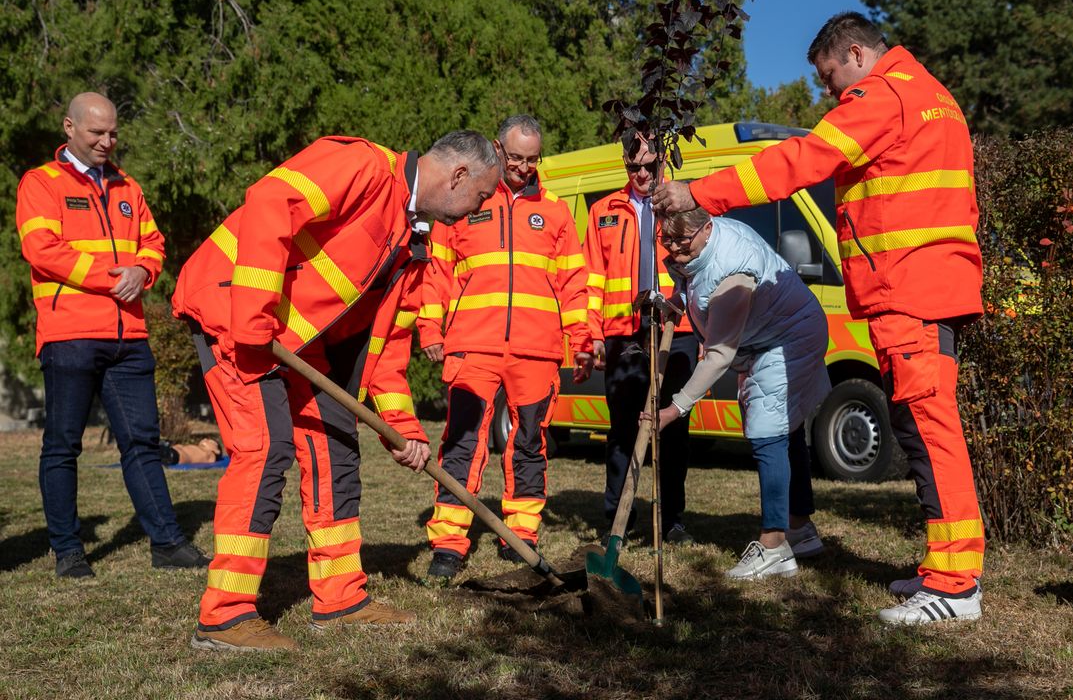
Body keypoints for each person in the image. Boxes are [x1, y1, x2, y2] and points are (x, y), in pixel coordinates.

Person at [653, 11, 986, 625]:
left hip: (909, 288)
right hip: (926, 286)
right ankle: (945, 565)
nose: (831, 95)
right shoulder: (931, 96)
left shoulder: (884, 95)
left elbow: (801, 160)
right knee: (920, 431)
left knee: (930, 434)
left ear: (856, 53)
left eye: (831, 78)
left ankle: (957, 585)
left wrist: (703, 193)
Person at [173, 131, 501, 650]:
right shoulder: (364, 166)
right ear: (459, 175)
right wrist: (255, 312)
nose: (474, 211)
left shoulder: (416, 240)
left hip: (297, 341)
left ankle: (341, 598)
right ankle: (225, 615)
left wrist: (404, 429)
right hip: (232, 311)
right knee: (264, 448)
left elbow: (388, 348)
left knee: (337, 448)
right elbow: (269, 200)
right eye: (482, 196)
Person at [15, 92, 210, 580]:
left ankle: (166, 542)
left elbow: (153, 243)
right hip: (70, 334)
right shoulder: (41, 183)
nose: (107, 141)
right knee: (63, 445)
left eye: (113, 132)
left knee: (143, 442)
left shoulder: (129, 188)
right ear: (69, 127)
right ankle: (69, 552)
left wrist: (144, 272)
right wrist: (112, 277)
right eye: (96, 132)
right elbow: (42, 250)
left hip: (129, 337)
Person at [416, 115, 592, 584]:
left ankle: (521, 536)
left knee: (530, 443)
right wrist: (430, 326)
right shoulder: (467, 197)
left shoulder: (554, 210)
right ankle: (449, 543)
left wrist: (583, 338)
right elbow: (437, 270)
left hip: (536, 351)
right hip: (472, 345)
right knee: (462, 442)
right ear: (498, 148)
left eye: (532, 159)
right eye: (515, 158)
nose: (523, 168)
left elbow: (574, 282)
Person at [646, 207, 831, 579]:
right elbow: (691, 278)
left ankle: (775, 546)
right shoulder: (695, 243)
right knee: (785, 427)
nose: (673, 248)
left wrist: (674, 409)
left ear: (707, 229)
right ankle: (800, 529)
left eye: (682, 241)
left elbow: (718, 356)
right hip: (763, 338)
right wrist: (676, 304)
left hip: (786, 337)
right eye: (666, 239)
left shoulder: (734, 270)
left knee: (767, 432)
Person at [581, 132, 698, 543]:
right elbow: (590, 280)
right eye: (635, 167)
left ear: (663, 162)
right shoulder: (603, 212)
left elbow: (701, 269)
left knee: (673, 429)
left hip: (674, 333)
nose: (643, 174)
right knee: (622, 430)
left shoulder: (683, 205)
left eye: (651, 165)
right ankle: (619, 518)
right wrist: (591, 335)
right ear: (625, 165)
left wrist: (700, 325)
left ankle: (672, 521)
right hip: (622, 336)